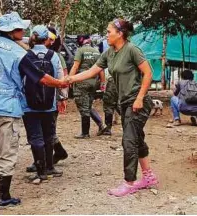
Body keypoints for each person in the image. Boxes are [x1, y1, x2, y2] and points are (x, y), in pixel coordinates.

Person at [0, 12, 68, 209]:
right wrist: (61, 83)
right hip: (8, 108)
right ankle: (4, 197)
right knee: (6, 151)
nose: (23, 31)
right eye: (20, 28)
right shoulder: (19, 52)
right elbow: (41, 78)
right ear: (11, 31)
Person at [66, 18, 158, 197]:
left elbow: (148, 73)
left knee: (129, 141)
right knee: (137, 138)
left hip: (137, 102)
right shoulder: (109, 53)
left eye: (109, 32)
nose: (107, 35)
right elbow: (92, 70)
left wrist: (139, 98)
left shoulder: (132, 50)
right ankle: (149, 177)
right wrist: (70, 79)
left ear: (120, 33)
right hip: (124, 102)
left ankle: (129, 182)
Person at [23, 25, 67, 184]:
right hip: (49, 104)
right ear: (47, 39)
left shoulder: (25, 55)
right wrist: (62, 97)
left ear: (32, 37)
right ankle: (50, 168)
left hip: (29, 105)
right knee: (49, 135)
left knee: (35, 137)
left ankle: (40, 172)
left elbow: (20, 80)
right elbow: (60, 80)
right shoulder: (54, 56)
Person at [69, 35, 105, 139]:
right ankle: (100, 125)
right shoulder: (96, 52)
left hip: (82, 82)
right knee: (88, 106)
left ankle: (85, 133)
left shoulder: (80, 51)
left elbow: (75, 66)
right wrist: (102, 83)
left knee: (84, 108)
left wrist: (70, 79)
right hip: (93, 83)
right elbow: (101, 69)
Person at [98, 39, 121, 136]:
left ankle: (108, 128)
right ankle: (131, 127)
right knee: (121, 104)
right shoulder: (125, 49)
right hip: (123, 81)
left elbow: (101, 69)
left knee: (109, 105)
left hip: (112, 81)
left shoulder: (108, 52)